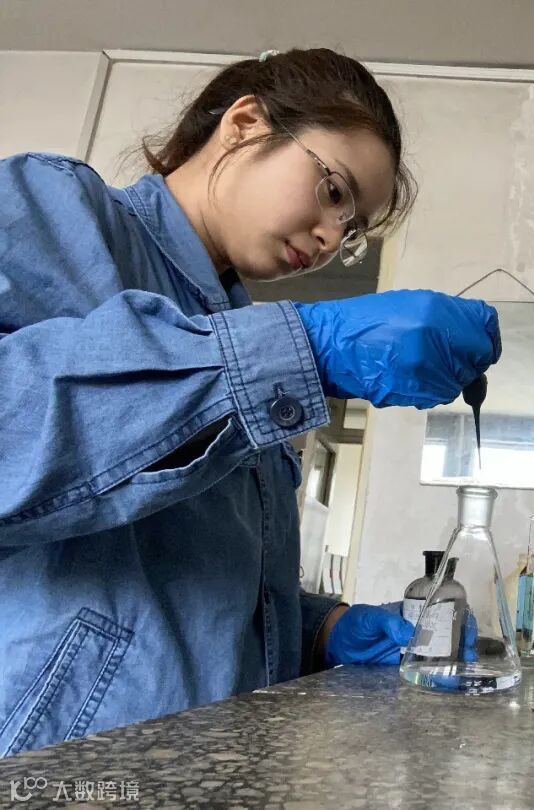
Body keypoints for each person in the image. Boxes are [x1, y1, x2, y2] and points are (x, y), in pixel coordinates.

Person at [0, 48, 500, 757]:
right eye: (334, 190)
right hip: (64, 764)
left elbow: (181, 585)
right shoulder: (55, 210)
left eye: (352, 228)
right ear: (244, 124)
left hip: (211, 763)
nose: (333, 237)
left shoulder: (239, 332)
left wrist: (319, 630)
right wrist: (299, 350)